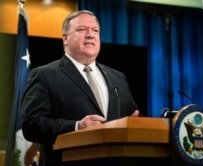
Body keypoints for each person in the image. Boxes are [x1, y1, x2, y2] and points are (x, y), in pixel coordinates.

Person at [21, 10, 141, 166]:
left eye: (95, 30)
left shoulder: (118, 77)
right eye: (82, 29)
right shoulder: (44, 75)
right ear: (65, 38)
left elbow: (132, 115)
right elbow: (31, 125)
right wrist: (77, 126)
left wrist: (133, 125)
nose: (90, 34)